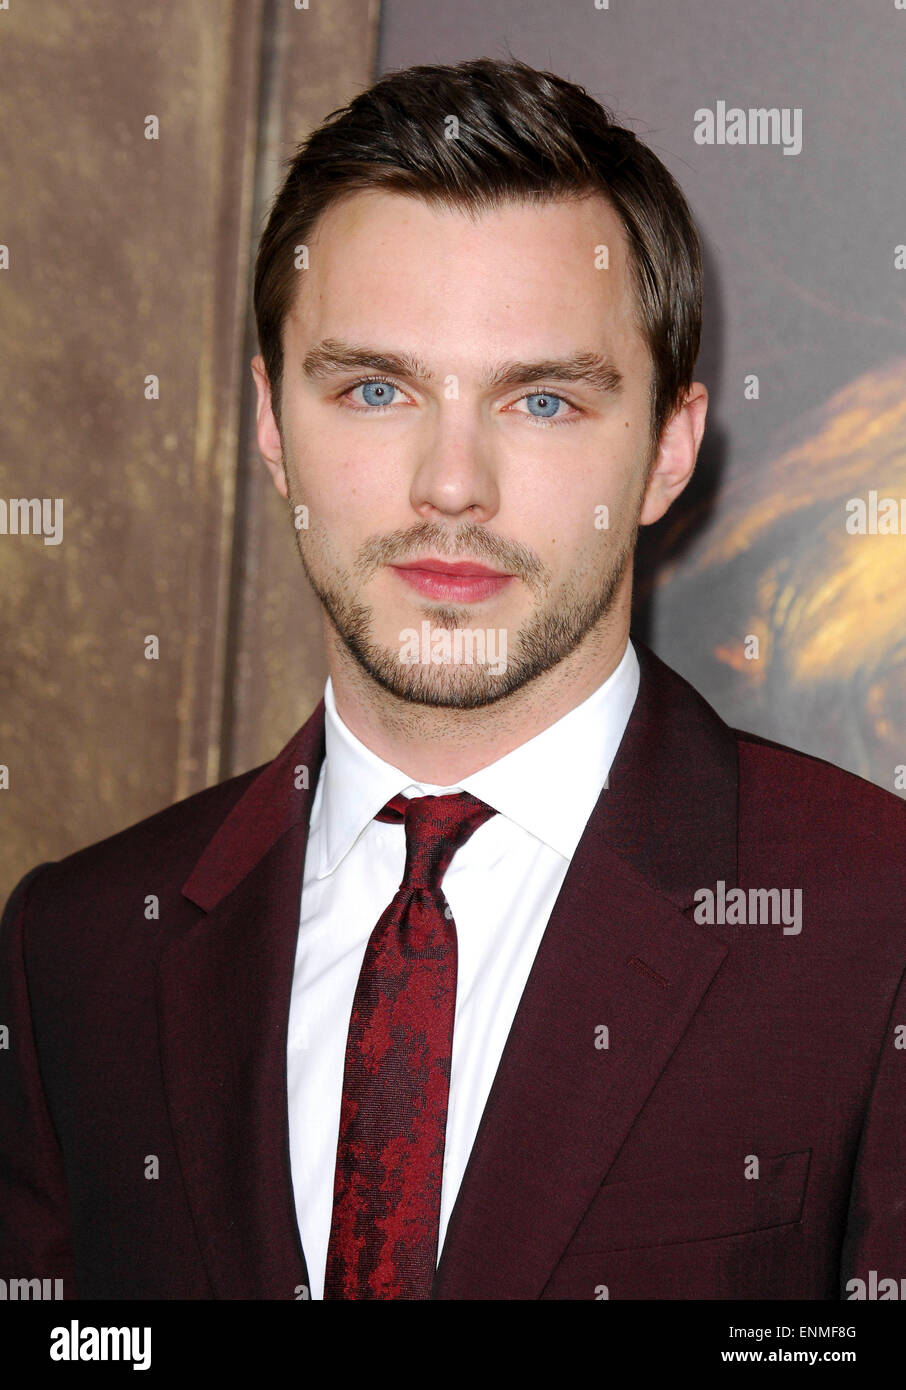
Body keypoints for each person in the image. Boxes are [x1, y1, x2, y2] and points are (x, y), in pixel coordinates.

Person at [1, 56, 904, 1302]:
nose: (450, 485)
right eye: (376, 389)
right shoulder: (80, 947)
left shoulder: (873, 920)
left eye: (541, 402)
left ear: (667, 450)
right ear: (272, 427)